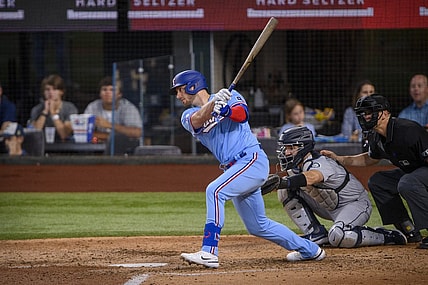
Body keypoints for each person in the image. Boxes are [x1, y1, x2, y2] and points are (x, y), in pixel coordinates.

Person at [171, 70, 326, 269]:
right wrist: (213, 104)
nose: (178, 95)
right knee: (257, 226)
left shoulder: (231, 96)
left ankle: (209, 251)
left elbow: (242, 115)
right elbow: (198, 120)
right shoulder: (187, 115)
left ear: (192, 86)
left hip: (251, 159)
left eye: (180, 90)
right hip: (235, 168)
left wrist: (225, 109)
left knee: (215, 191)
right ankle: (311, 250)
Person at [261, 126, 407, 248]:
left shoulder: (320, 162)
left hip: (355, 204)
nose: (286, 152)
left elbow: (313, 177)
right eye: (285, 148)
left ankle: (386, 236)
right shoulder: (296, 167)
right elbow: (281, 184)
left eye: (291, 148)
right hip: (329, 206)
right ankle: (316, 233)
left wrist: (283, 181)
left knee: (339, 236)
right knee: (284, 190)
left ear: (303, 147)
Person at [321, 94, 428, 250]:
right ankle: (408, 230)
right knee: (379, 181)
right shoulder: (376, 136)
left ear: (384, 114)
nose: (365, 117)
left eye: (369, 112)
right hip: (414, 172)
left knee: (408, 182)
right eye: (363, 113)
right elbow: (369, 159)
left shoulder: (408, 130)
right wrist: (339, 158)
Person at [84, 76, 142, 143]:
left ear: (119, 94)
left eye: (112, 90)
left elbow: (137, 133)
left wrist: (109, 125)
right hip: (97, 147)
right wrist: (111, 136)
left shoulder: (128, 108)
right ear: (100, 93)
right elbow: (84, 133)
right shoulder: (93, 107)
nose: (107, 93)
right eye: (104, 89)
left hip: (124, 148)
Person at [29, 74, 78, 142]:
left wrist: (53, 114)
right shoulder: (37, 109)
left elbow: (64, 135)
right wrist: (45, 112)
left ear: (61, 92)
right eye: (47, 89)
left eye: (54, 89)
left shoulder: (70, 108)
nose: (50, 92)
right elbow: (34, 135)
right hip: (42, 148)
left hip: (65, 148)